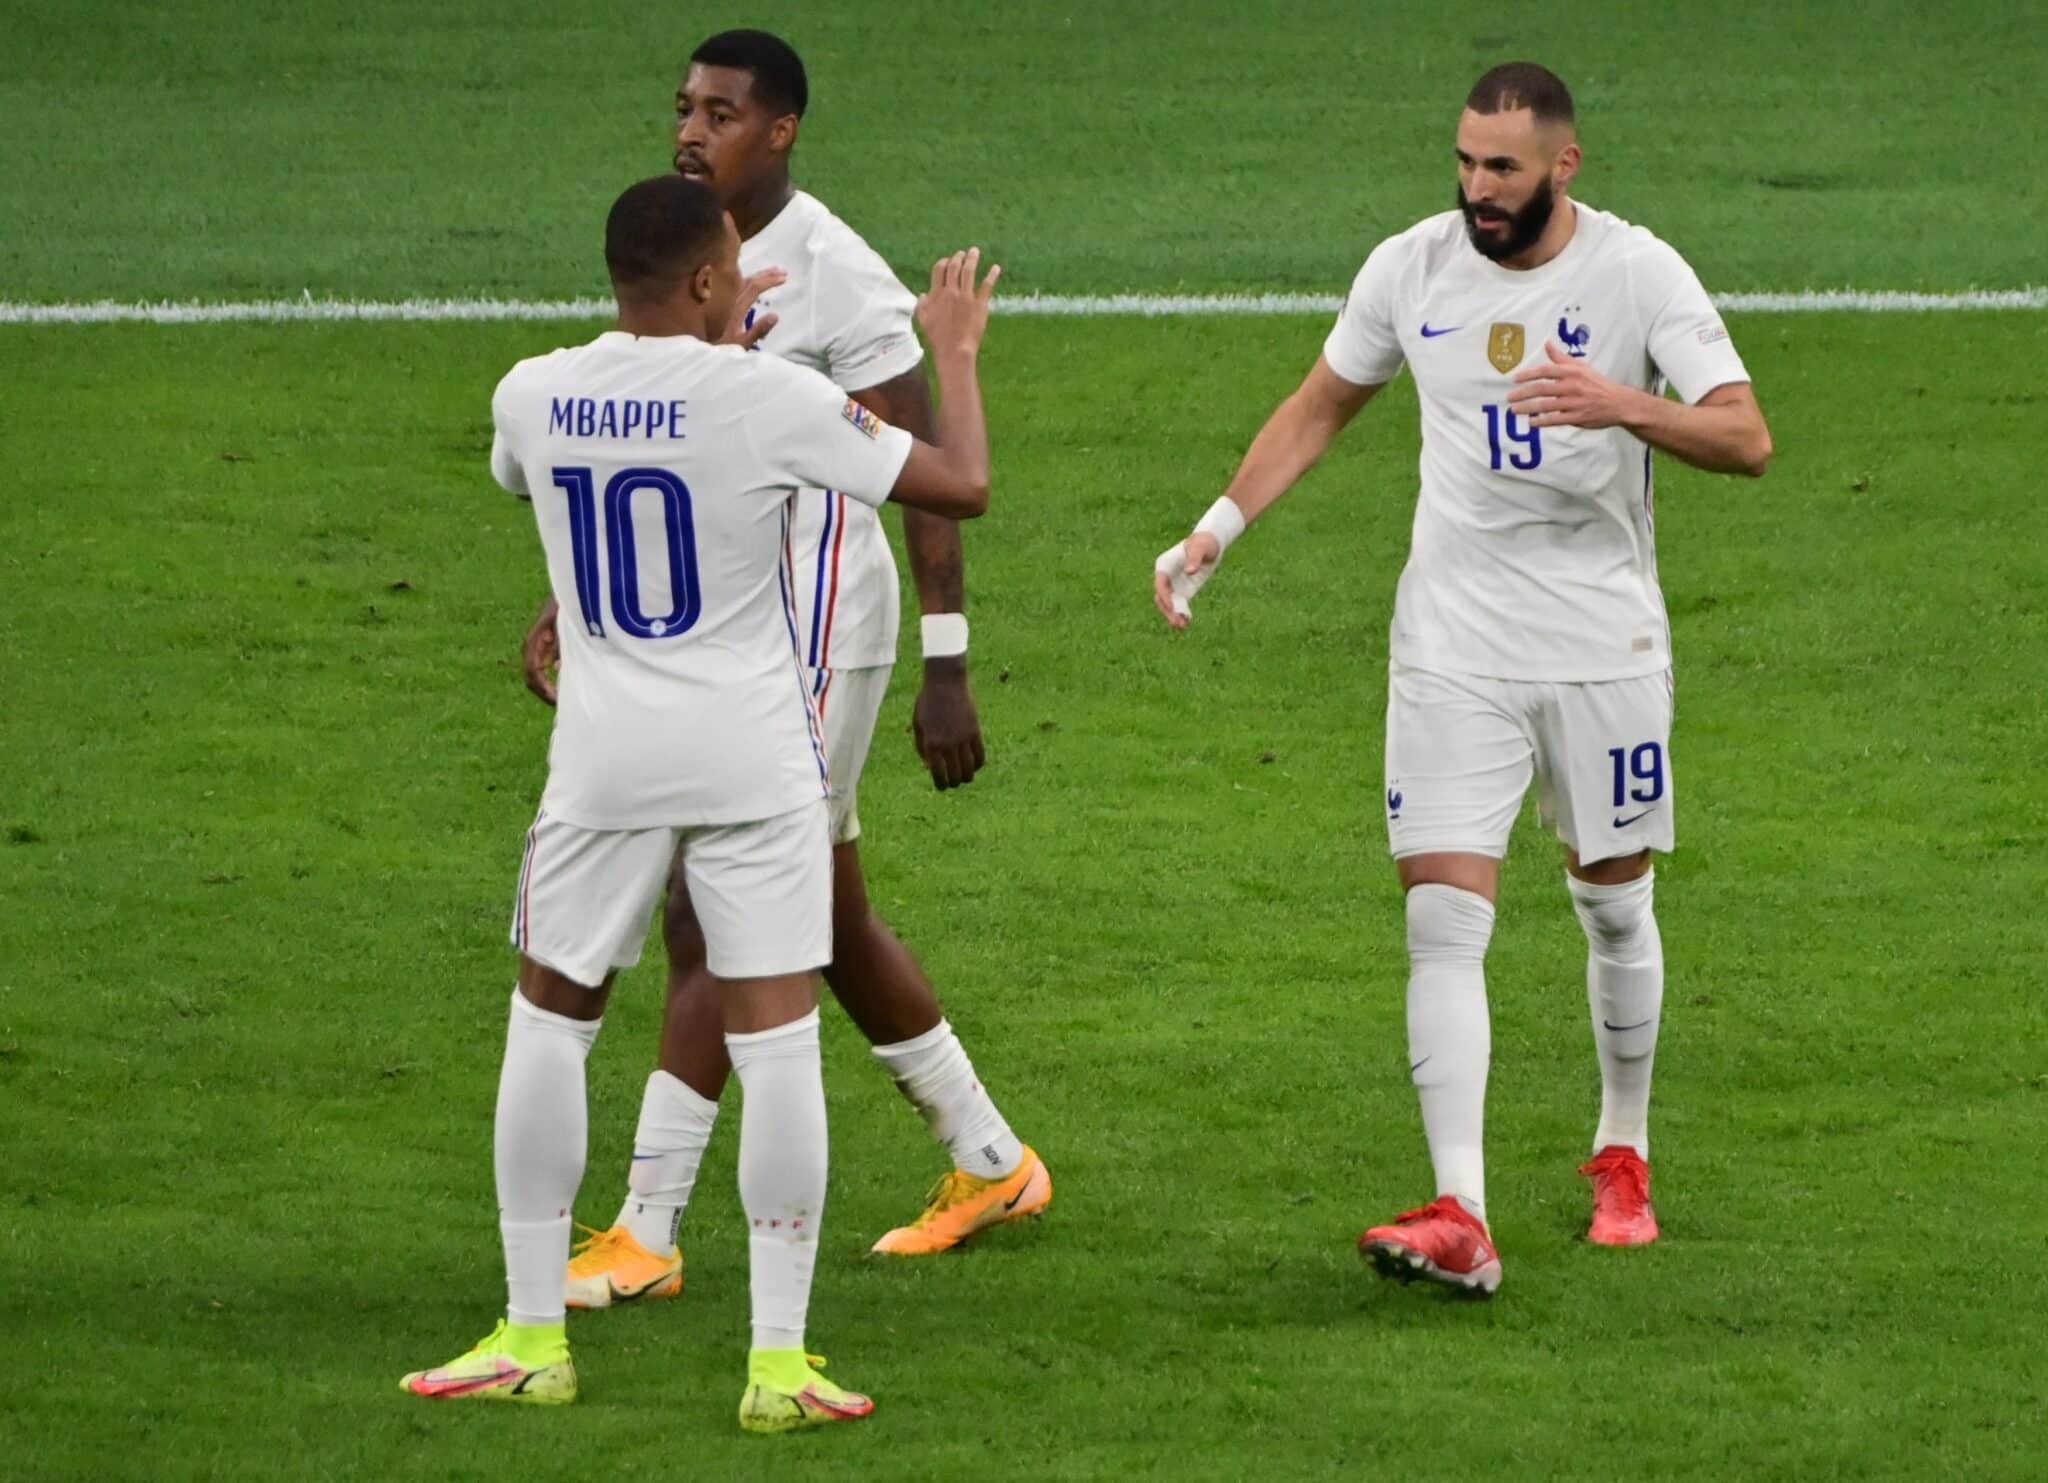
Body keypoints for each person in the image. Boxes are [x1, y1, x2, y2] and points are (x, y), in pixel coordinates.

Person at [1152, 62, 1771, 1295]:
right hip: (1450, 642)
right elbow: (1322, 404)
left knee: (1609, 901)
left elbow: (1744, 437)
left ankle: (1621, 1148)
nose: (1477, 189)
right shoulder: (1412, 266)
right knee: (1440, 914)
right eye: (1465, 162)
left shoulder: (1637, 273)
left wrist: (1619, 406)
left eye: (1502, 167)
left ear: (1562, 165)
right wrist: (1217, 525)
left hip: (1601, 645)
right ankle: (1462, 1211)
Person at [402, 173, 1001, 1430]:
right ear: (710, 281)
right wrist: (951, 353)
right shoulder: (769, 395)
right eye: (731, 263)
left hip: (604, 752)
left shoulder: (532, 389)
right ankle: (777, 1367)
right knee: (776, 1038)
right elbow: (959, 484)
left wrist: (702, 348)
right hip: (750, 750)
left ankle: (527, 1333)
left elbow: (546, 483)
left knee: (552, 1022)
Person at [522, 31, 1048, 1309]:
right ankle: (988, 1158)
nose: (691, 130)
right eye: (683, 107)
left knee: (716, 908)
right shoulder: (680, 262)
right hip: (727, 625)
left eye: (722, 112)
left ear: (782, 132)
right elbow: (657, 447)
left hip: (816, 626)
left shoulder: (836, 271)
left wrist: (945, 658)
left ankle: (644, 1227)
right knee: (823, 912)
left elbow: (928, 467)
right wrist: (579, 595)